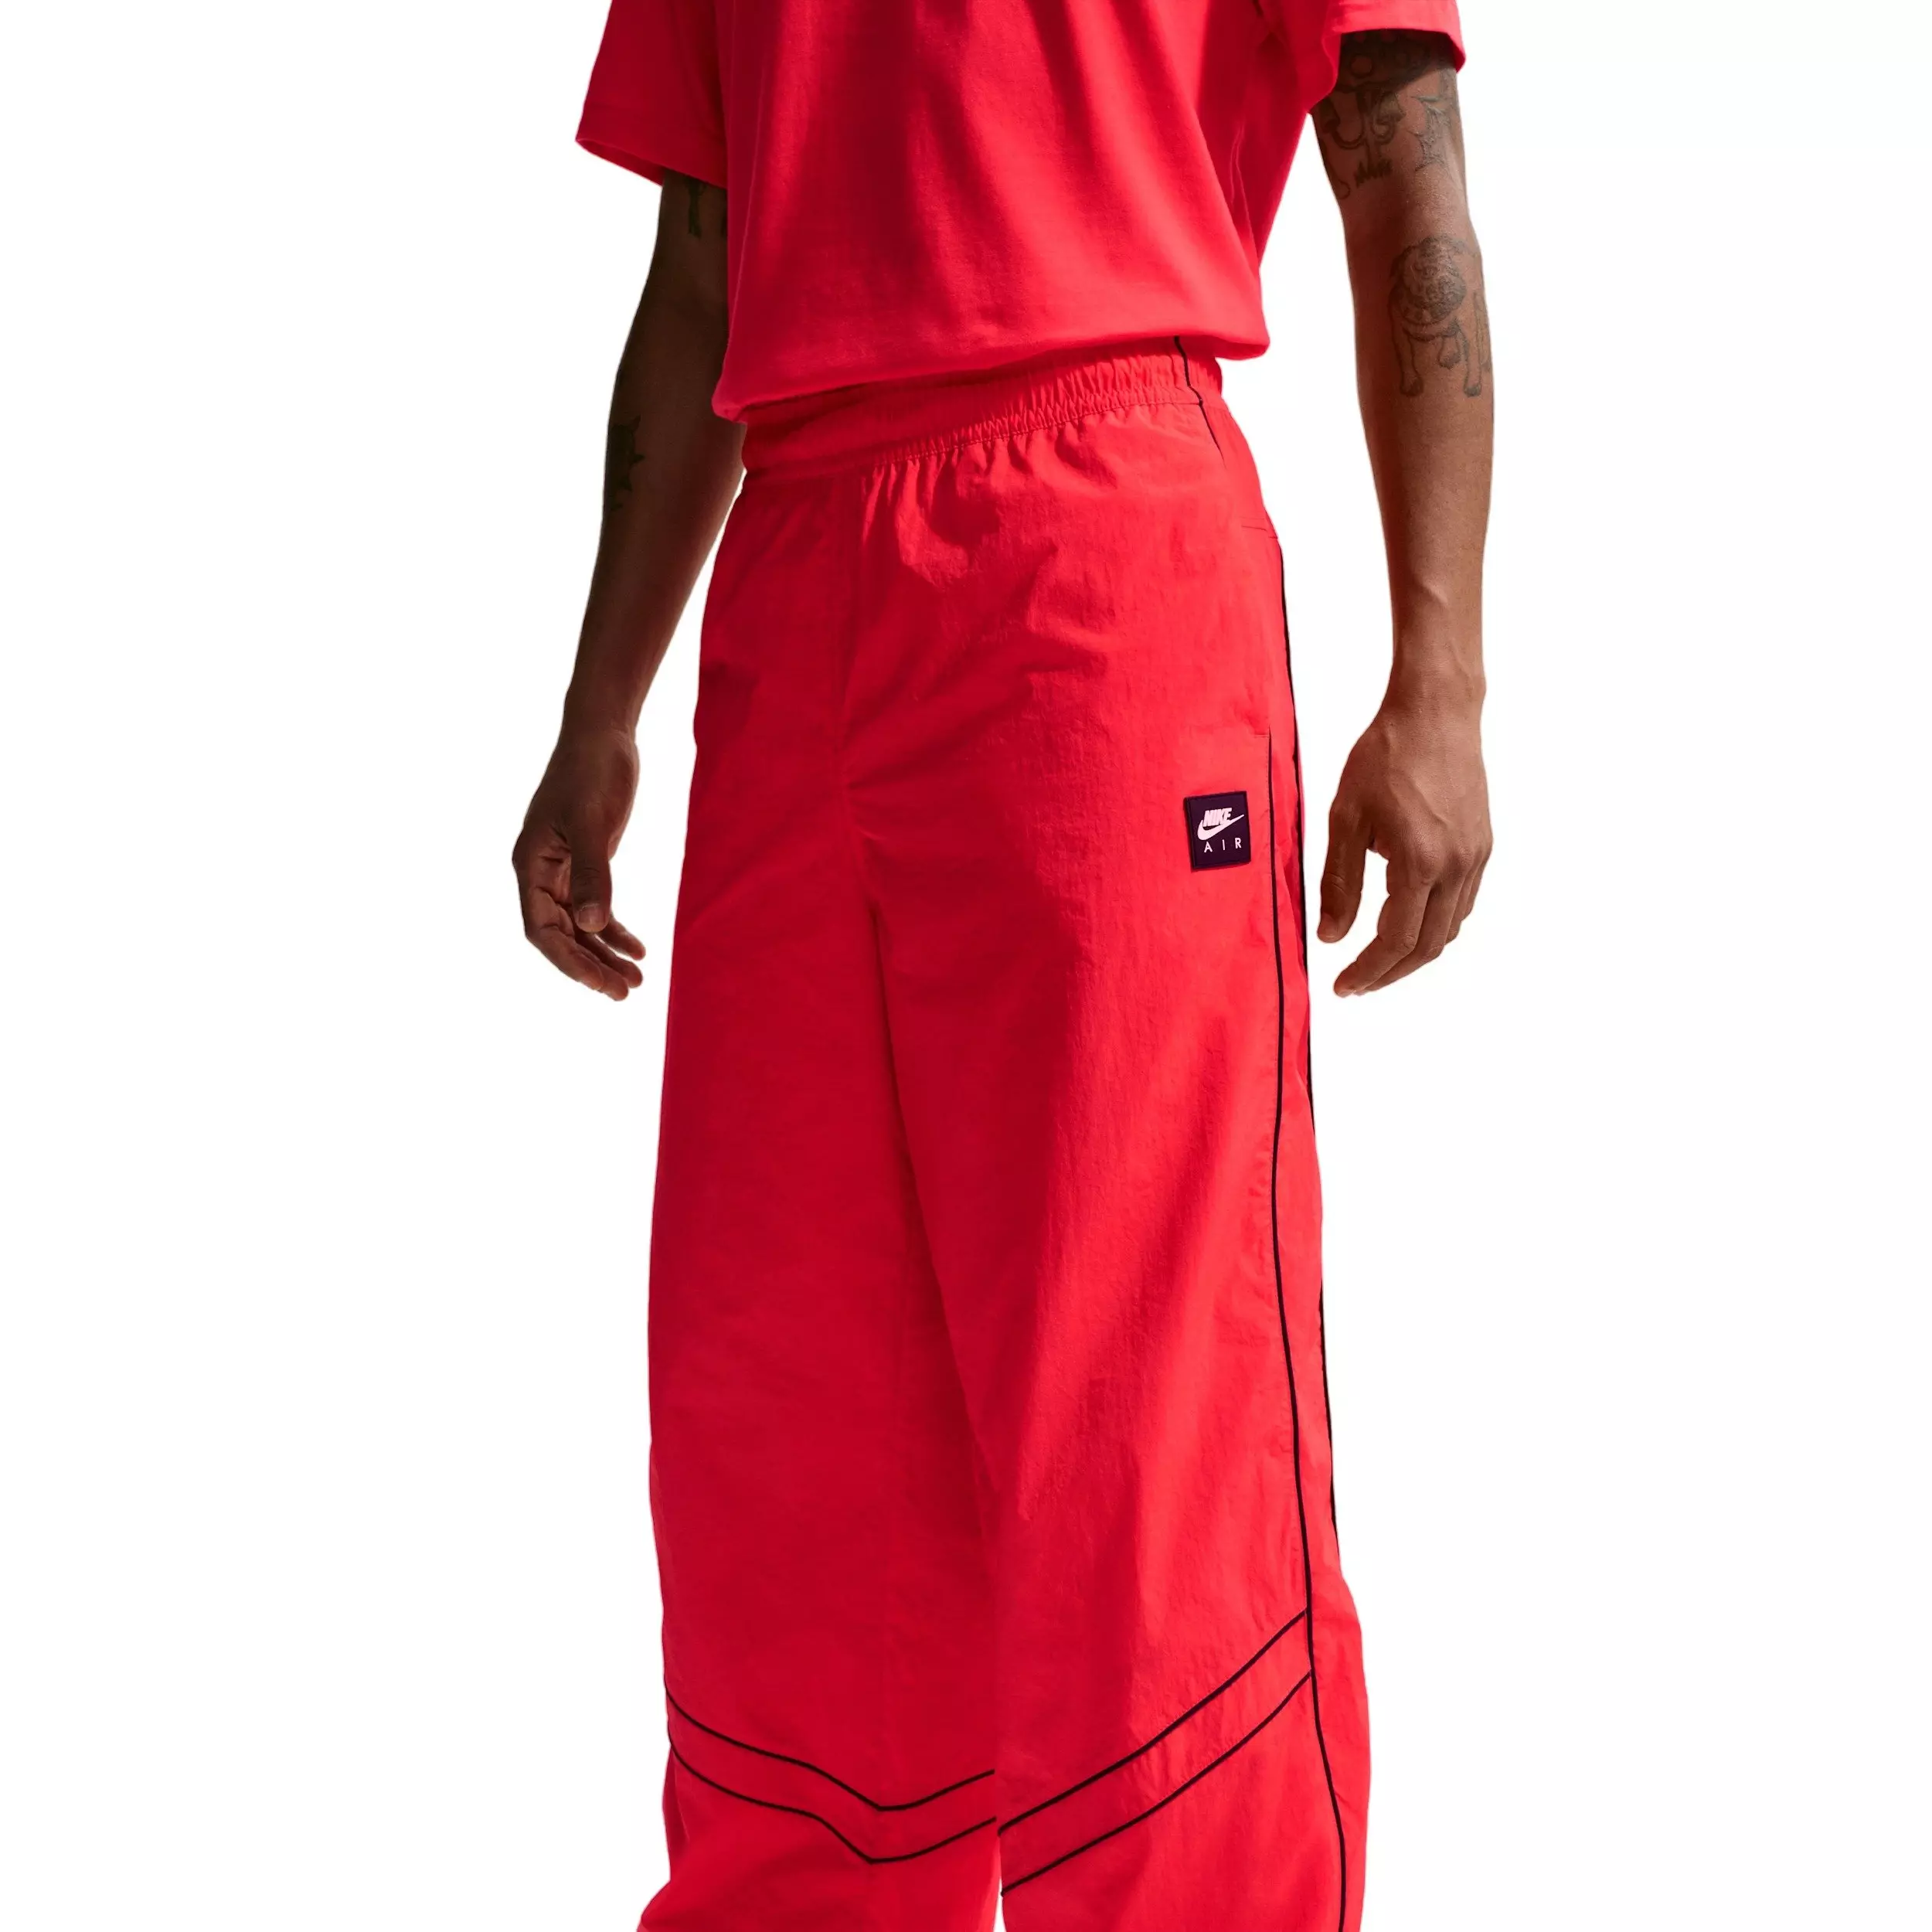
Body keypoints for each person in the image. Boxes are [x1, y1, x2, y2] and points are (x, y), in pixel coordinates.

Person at [512, 2, 1492, 1924]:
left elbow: (1405, 169)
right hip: (798, 560)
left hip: (1097, 541)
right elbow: (702, 259)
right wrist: (597, 707)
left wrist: (1437, 679)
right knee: (780, 1383)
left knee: (1135, 1385)